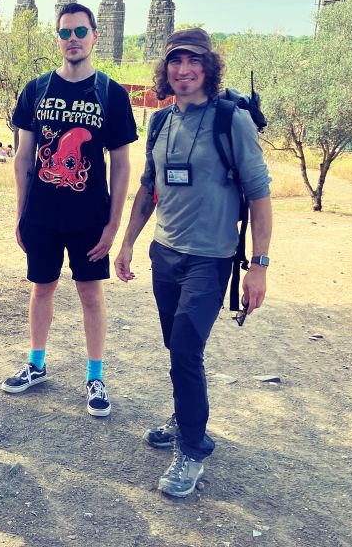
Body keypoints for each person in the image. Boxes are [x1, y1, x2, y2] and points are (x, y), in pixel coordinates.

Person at [114, 28, 272, 497]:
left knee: (185, 347)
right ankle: (188, 415)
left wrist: (259, 265)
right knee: (176, 346)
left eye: (193, 61)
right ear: (165, 69)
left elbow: (260, 195)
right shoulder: (161, 123)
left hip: (211, 258)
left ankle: (191, 450)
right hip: (165, 254)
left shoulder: (230, 120)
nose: (183, 70)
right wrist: (127, 243)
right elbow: (148, 188)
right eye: (175, 61)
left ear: (208, 66)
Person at [1, 2, 138, 417]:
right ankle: (36, 364)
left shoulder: (111, 93)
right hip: (42, 213)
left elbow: (122, 163)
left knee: (90, 294)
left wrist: (113, 226)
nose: (72, 39)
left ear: (95, 36)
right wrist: (21, 214)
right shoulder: (36, 89)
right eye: (65, 33)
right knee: (41, 287)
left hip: (88, 216)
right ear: (57, 39)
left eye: (80, 31)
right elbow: (23, 157)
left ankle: (95, 376)